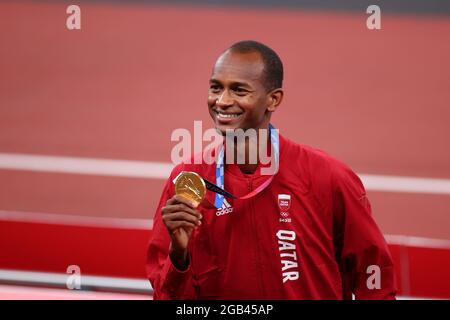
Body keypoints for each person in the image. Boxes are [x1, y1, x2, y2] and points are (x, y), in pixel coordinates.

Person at [146, 40, 397, 299]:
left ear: (273, 99)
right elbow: (169, 297)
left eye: (239, 90)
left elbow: (373, 272)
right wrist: (179, 256)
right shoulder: (188, 179)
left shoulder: (328, 176)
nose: (222, 101)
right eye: (215, 87)